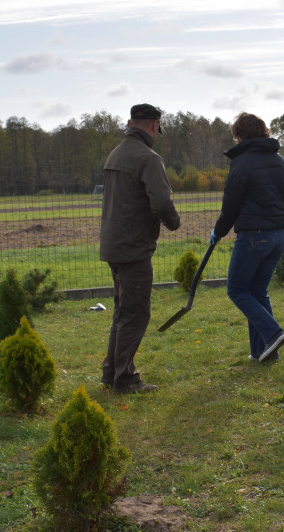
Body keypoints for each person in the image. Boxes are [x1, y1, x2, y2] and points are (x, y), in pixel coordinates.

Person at [99, 103, 180, 394]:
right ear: (154, 126)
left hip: (113, 243)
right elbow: (160, 202)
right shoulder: (148, 157)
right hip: (133, 246)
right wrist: (174, 222)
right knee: (135, 314)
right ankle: (125, 379)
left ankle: (112, 372)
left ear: (131, 123)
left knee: (123, 312)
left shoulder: (117, 152)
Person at [210, 113, 284, 362]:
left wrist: (218, 231)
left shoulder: (242, 163)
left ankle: (272, 333)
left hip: (254, 237)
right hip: (278, 236)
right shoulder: (278, 160)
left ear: (240, 135)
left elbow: (231, 205)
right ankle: (263, 352)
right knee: (258, 291)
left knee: (237, 289)